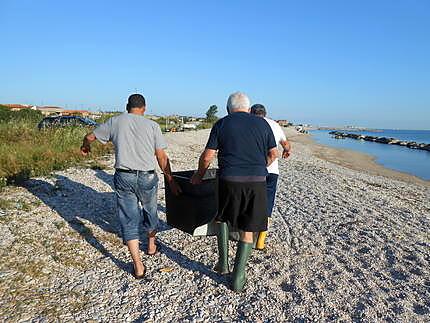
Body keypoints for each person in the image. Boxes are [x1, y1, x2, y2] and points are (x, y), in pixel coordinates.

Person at [81, 94, 180, 279]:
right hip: (147, 177)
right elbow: (161, 157)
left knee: (128, 218)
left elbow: (90, 137)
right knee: (150, 210)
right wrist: (171, 180)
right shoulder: (152, 126)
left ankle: (138, 266)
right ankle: (151, 246)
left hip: (124, 176)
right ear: (144, 108)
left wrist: (85, 145)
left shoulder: (115, 122)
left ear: (127, 106)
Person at [191, 92, 278, 292]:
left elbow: (207, 157)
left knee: (222, 218)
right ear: (248, 109)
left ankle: (223, 264)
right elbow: (274, 154)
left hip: (228, 179)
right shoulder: (262, 124)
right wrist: (258, 167)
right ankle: (238, 277)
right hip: (256, 181)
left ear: (228, 109)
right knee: (247, 229)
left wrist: (198, 175)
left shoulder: (222, 124)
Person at [250, 104, 291, 250]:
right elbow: (286, 144)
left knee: (252, 200)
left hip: (254, 170)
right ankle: (261, 240)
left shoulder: (250, 123)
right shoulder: (274, 124)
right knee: (268, 203)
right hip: (272, 171)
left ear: (251, 112)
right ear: (265, 113)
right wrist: (287, 151)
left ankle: (248, 234)